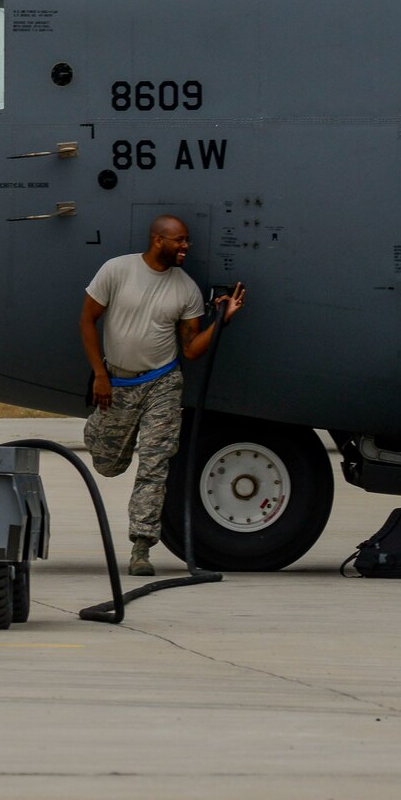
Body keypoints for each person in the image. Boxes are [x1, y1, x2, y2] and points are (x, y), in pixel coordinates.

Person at [79, 215, 244, 576]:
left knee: (155, 463)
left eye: (187, 241)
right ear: (158, 241)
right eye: (180, 241)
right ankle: (97, 432)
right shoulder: (116, 271)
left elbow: (191, 350)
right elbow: (87, 320)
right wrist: (100, 375)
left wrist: (222, 320)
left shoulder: (185, 289)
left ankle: (141, 547)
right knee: (107, 463)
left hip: (163, 383)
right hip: (117, 382)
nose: (186, 247)